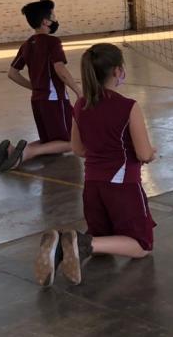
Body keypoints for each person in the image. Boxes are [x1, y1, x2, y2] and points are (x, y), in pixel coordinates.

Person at [33, 43, 157, 287]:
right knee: (142, 246)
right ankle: (82, 243)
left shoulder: (81, 105)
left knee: (102, 235)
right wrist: (151, 154)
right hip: (122, 186)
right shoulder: (128, 106)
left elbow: (78, 149)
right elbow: (143, 153)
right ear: (117, 71)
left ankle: (60, 249)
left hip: (92, 187)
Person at [0, 0, 83, 172]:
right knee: (72, 142)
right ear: (46, 21)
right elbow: (60, 69)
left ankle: (12, 150)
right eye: (53, 16)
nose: (55, 19)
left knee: (51, 141)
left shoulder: (27, 45)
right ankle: (27, 153)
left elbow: (12, 73)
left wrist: (34, 88)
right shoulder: (53, 42)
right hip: (55, 100)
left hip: (37, 100)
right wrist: (78, 91)